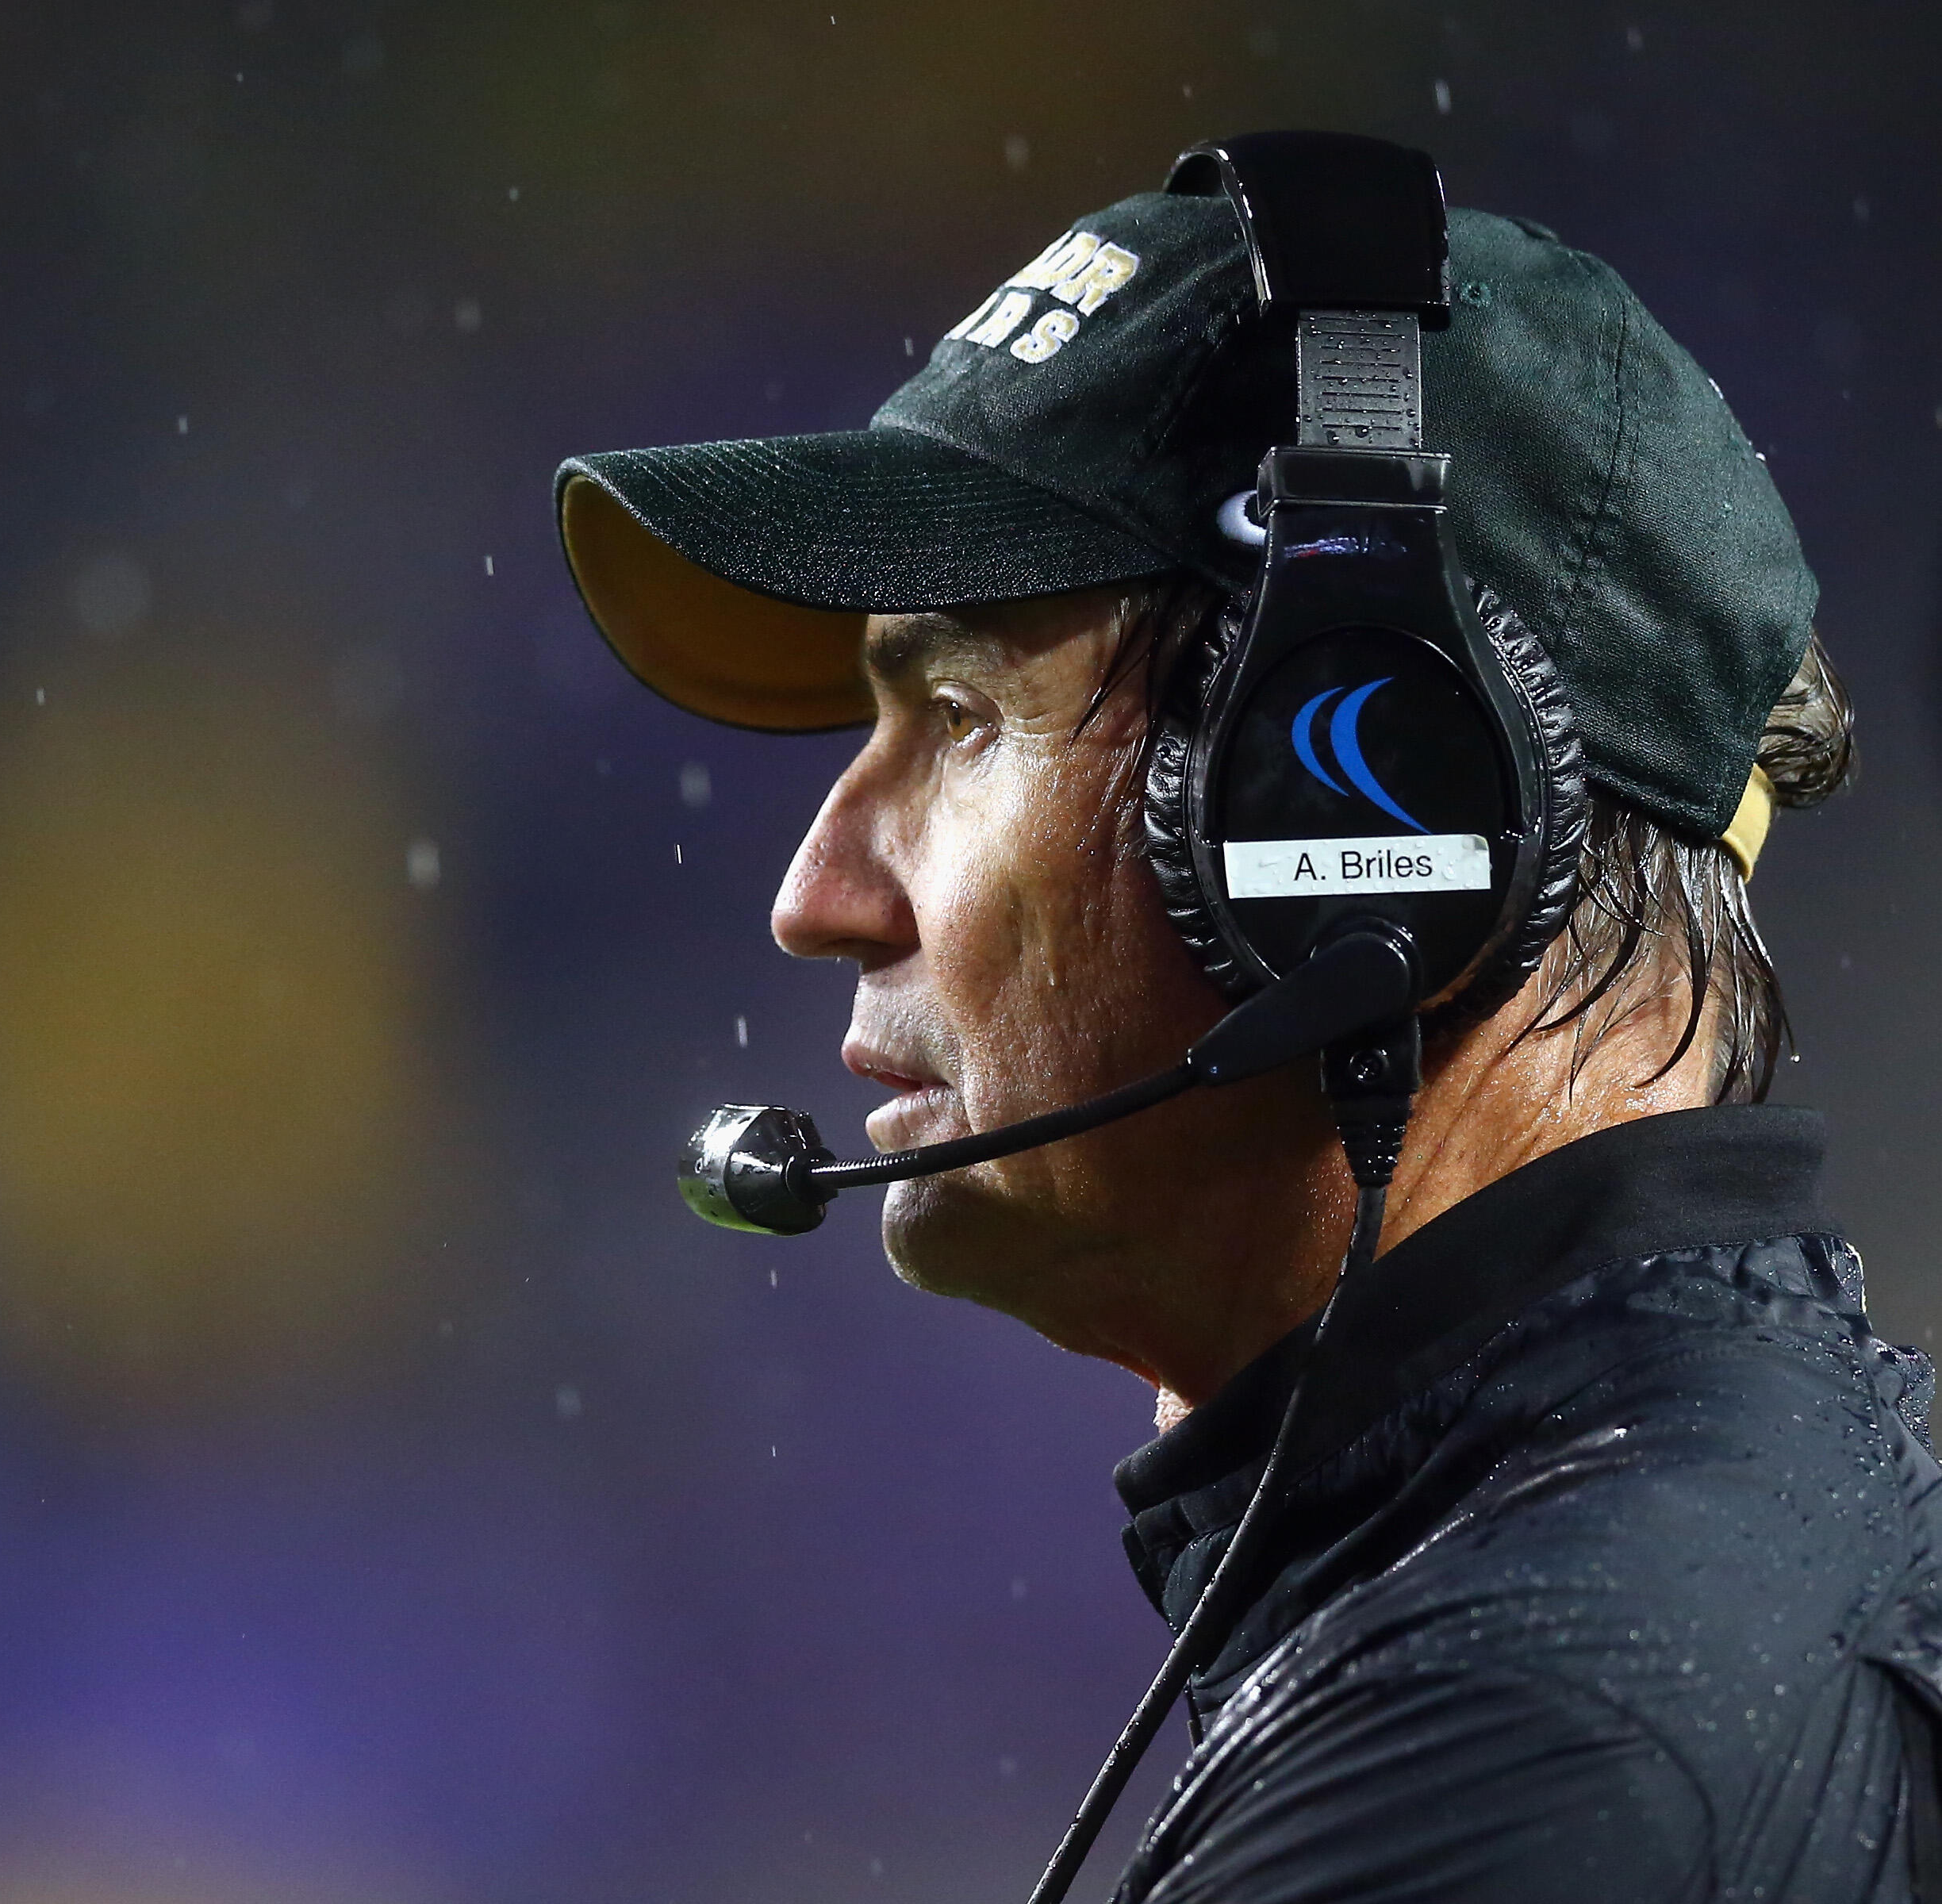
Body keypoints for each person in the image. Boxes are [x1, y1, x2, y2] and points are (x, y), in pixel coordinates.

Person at [552, 138, 1942, 1900]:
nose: (819, 894)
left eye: (964, 717)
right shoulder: (1639, 1591)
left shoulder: (1540, 1757)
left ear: (1353, 824)